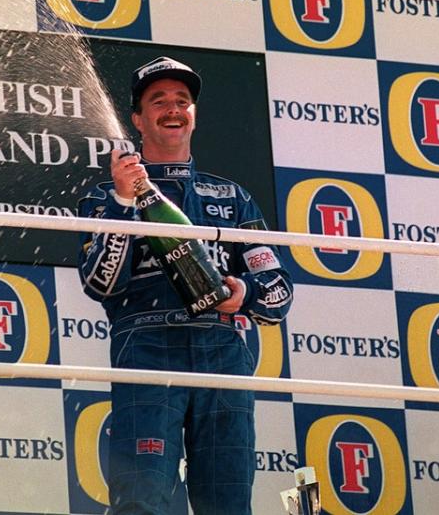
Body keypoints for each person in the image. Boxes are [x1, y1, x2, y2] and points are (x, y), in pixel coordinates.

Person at [78, 56, 293, 515]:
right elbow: (100, 283)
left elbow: (278, 292)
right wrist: (122, 201)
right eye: (158, 101)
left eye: (182, 101)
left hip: (224, 353)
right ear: (138, 119)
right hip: (147, 350)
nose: (172, 109)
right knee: (141, 499)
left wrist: (244, 294)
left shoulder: (233, 197)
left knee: (229, 504)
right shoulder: (104, 196)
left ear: (193, 114)